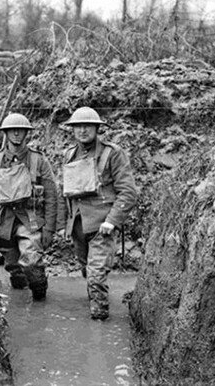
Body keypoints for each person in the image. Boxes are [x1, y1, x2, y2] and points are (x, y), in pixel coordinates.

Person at [57, 107, 138, 320]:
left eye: (87, 126)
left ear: (97, 128)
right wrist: (63, 225)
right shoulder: (69, 155)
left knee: (95, 274)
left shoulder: (113, 154)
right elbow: (65, 193)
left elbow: (128, 192)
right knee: (87, 268)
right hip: (78, 226)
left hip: (102, 226)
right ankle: (94, 291)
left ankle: (99, 317)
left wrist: (112, 221)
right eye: (78, 127)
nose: (82, 130)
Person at [0, 113, 57, 300]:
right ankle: (19, 298)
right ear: (5, 133)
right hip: (2, 221)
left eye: (20, 130)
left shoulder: (38, 160)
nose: (16, 134)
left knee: (31, 261)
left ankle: (39, 297)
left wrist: (50, 229)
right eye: (12, 130)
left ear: (27, 133)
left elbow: (52, 195)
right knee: (13, 267)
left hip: (29, 219)